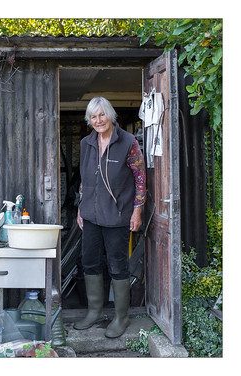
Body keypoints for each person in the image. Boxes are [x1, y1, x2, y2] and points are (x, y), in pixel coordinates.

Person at [74, 96, 146, 338]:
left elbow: (140, 179)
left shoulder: (129, 142)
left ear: (110, 115)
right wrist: (80, 208)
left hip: (118, 216)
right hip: (91, 215)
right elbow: (85, 179)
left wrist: (137, 210)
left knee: (117, 264)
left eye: (102, 115)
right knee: (90, 261)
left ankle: (121, 316)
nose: (98, 120)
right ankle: (94, 311)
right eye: (93, 117)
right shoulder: (87, 143)